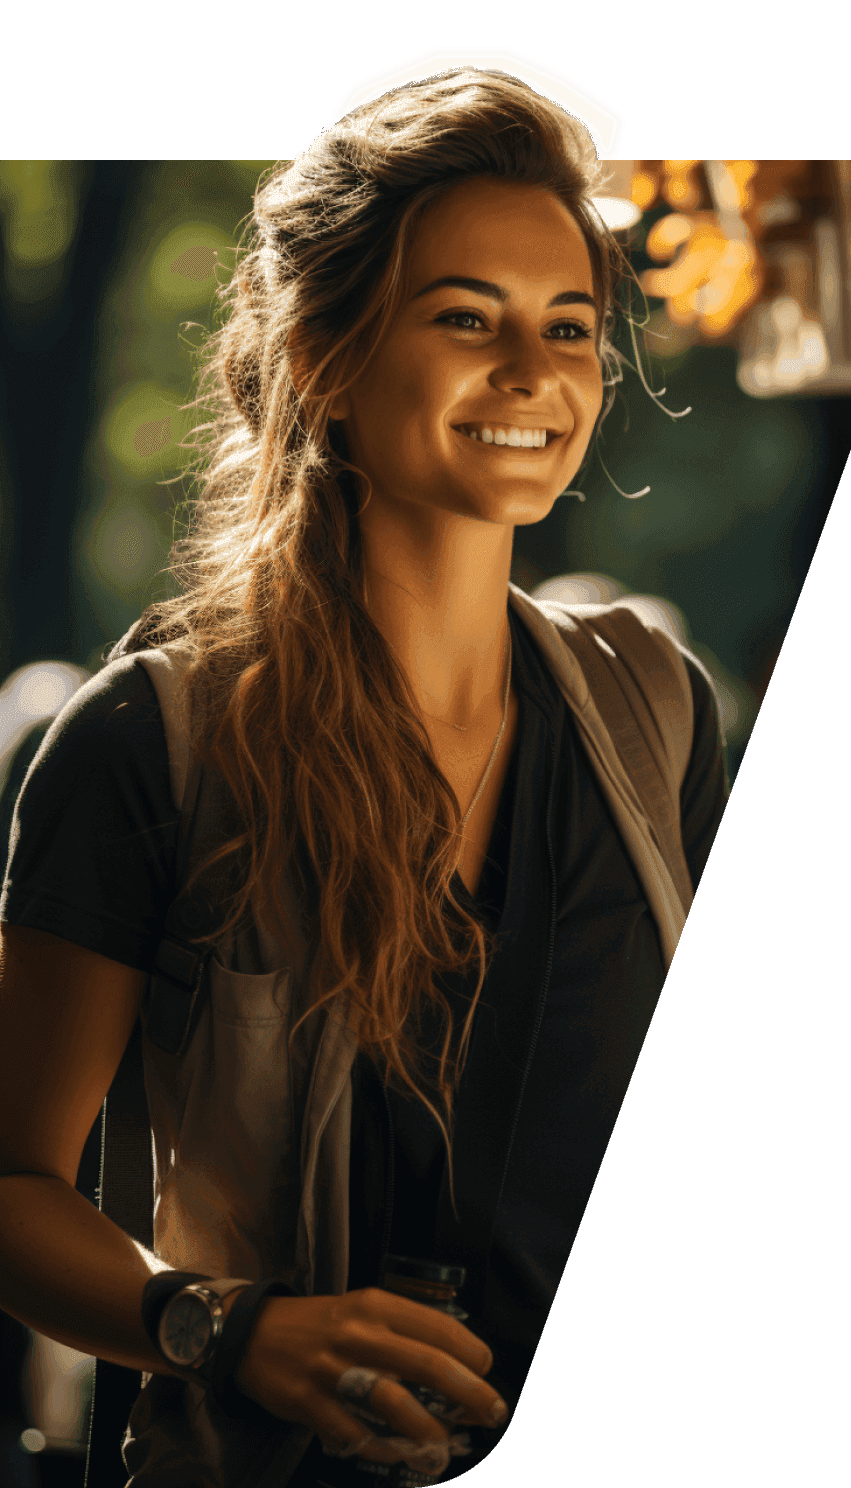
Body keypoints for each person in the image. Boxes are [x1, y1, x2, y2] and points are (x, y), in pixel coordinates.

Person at [0, 70, 729, 1487]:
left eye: (569, 328)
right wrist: (221, 1328)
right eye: (467, 318)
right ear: (325, 354)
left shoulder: (659, 711)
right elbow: (10, 1190)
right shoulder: (148, 745)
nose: (534, 371)